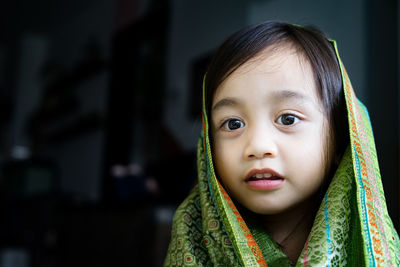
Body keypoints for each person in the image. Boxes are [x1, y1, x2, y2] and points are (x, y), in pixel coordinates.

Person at [164, 21, 400, 266]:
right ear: (208, 147)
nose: (257, 146)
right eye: (233, 123)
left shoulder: (372, 247)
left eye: (288, 119)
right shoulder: (192, 239)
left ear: (340, 138)